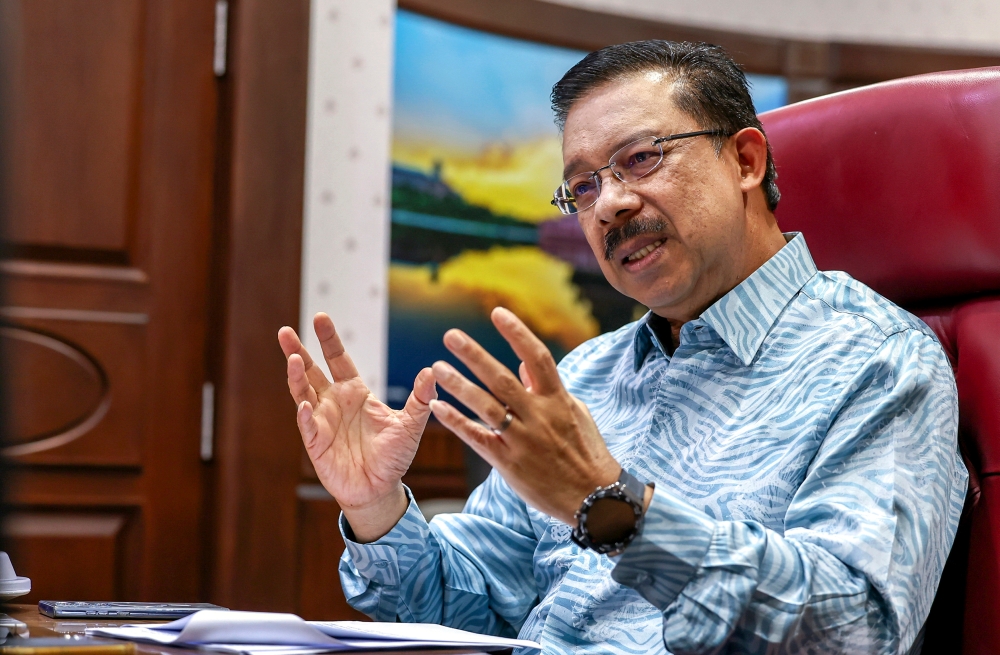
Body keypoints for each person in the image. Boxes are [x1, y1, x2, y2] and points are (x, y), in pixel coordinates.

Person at [277, 41, 966, 654]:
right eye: (584, 184)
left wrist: (614, 508)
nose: (608, 204)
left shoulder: (879, 360)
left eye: (640, 159)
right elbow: (466, 604)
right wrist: (374, 507)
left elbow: (855, 629)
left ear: (746, 160)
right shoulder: (583, 375)